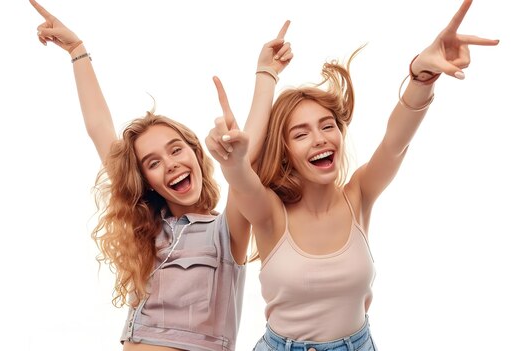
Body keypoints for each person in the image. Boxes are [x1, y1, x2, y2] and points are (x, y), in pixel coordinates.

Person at [205, 0, 499, 350]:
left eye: (327, 126)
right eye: (300, 134)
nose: (319, 139)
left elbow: (394, 143)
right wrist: (233, 157)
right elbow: (241, 176)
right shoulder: (269, 212)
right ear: (285, 153)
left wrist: (422, 76)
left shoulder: (359, 193)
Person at [29, 1, 292, 350]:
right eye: (152, 163)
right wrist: (77, 51)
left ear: (197, 153)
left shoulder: (227, 230)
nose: (169, 164)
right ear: (147, 181)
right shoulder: (151, 228)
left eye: (176, 149)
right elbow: (99, 129)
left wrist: (266, 75)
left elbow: (248, 157)